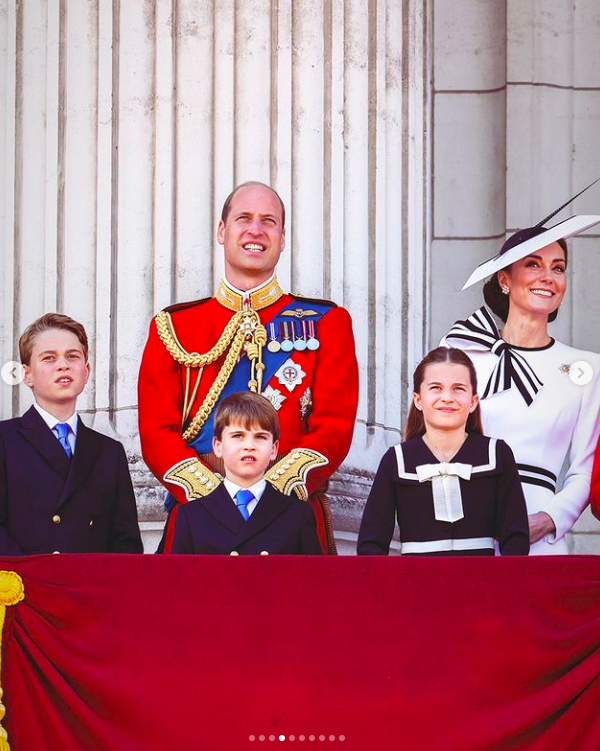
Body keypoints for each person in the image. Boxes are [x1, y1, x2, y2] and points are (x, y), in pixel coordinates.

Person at [138, 181, 359, 554]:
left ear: (283, 237)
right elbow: (156, 430)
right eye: (244, 219)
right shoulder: (174, 326)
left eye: (268, 221)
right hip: (198, 514)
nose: (256, 230)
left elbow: (334, 426)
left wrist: (269, 493)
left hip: (290, 517)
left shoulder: (327, 322)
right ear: (222, 232)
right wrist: (215, 495)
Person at [442, 199, 600, 554]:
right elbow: (428, 438)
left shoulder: (588, 368)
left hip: (539, 536)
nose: (548, 277)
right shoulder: (461, 351)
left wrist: (549, 518)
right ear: (504, 280)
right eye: (533, 264)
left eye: (558, 268)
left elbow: (585, 468)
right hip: (459, 522)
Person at [357, 347, 529, 556]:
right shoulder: (396, 460)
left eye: (458, 388)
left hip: (483, 583)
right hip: (415, 584)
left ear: (473, 401)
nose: (447, 397)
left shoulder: (497, 454)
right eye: (436, 387)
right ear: (418, 400)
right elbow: (371, 544)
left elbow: (516, 539)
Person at [0, 314, 143, 554]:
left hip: (88, 588)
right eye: (49, 358)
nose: (63, 365)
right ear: (27, 374)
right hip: (23, 586)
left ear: (86, 371)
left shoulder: (109, 452)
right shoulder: (5, 440)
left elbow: (125, 544)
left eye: (72, 356)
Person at [171, 392, 322, 555]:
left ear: (274, 449)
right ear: (217, 446)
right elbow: (181, 579)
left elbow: (311, 579)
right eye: (238, 436)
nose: (249, 445)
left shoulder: (298, 515)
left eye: (260, 437)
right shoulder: (192, 516)